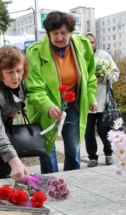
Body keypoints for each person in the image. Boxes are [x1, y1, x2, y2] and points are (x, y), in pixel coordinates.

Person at [24, 11, 98, 174]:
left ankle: (73, 182)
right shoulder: (34, 52)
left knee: (73, 147)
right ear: (48, 33)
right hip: (47, 109)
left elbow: (90, 74)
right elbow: (34, 87)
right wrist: (48, 106)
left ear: (71, 32)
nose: (59, 37)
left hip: (73, 105)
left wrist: (91, 96)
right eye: (54, 33)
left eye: (64, 33)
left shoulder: (83, 45)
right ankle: (51, 186)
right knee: (47, 150)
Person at [85, 32, 120, 167]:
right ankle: (92, 157)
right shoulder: (80, 57)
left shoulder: (104, 56)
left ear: (96, 44)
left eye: (92, 42)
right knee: (88, 132)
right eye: (86, 42)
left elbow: (115, 73)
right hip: (87, 102)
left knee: (103, 130)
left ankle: (108, 153)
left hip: (103, 101)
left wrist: (103, 78)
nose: (90, 45)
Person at [0, 46, 29, 182]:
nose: (16, 77)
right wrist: (14, 160)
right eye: (9, 72)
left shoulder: (21, 83)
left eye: (19, 70)